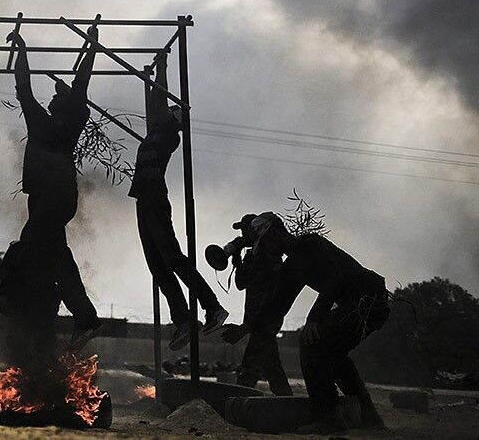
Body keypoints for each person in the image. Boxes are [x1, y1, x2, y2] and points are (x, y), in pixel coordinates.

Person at [221, 213, 389, 433]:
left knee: (312, 343)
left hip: (368, 302)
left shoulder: (311, 244)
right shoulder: (292, 267)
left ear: (274, 234)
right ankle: (369, 416)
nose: (265, 250)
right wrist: (245, 328)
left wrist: (314, 319)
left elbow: (334, 280)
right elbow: (278, 305)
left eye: (265, 243)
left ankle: (329, 419)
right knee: (335, 355)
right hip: (362, 305)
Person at [0, 27, 101, 344]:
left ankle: (10, 296)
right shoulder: (38, 121)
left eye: (59, 95)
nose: (54, 96)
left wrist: (91, 47)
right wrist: (22, 51)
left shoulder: (72, 119)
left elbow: (82, 82)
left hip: (60, 196)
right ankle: (86, 319)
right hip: (41, 197)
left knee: (26, 244)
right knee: (56, 258)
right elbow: (23, 87)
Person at [130, 51, 227, 350]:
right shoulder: (158, 131)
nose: (165, 108)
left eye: (171, 109)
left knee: (172, 259)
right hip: (143, 201)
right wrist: (155, 73)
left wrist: (163, 67)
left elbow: (159, 98)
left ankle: (212, 306)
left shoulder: (170, 134)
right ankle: (183, 320)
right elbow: (155, 101)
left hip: (155, 201)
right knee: (158, 267)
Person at [229, 215, 293, 395]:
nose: (242, 235)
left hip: (264, 321)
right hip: (259, 322)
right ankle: (288, 405)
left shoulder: (268, 255)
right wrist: (237, 259)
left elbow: (264, 286)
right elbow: (241, 284)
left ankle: (237, 406)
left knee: (249, 368)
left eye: (244, 230)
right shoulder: (254, 255)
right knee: (273, 370)